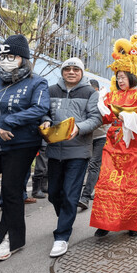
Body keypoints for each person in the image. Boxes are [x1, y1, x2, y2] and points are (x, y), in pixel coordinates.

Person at [0, 35, 50, 260]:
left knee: (11, 193)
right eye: (3, 56)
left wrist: (10, 121)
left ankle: (11, 240)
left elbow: (40, 108)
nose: (6, 60)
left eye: (11, 56)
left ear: (23, 58)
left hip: (20, 144)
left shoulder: (36, 82)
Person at [90, 35, 137, 237]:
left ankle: (132, 223)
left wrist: (132, 121)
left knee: (132, 187)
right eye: (118, 77)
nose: (120, 80)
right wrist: (102, 109)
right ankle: (104, 223)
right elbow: (107, 118)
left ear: (132, 77)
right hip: (113, 145)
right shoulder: (112, 96)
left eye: (124, 77)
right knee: (108, 184)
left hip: (134, 147)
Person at [41, 57, 101, 258]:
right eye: (68, 68)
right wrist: (46, 121)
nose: (72, 72)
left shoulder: (90, 93)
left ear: (82, 73)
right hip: (54, 149)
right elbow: (43, 113)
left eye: (76, 69)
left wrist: (79, 128)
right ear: (62, 71)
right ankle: (65, 219)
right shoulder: (50, 91)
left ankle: (62, 235)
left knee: (70, 194)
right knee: (53, 193)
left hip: (78, 152)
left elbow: (96, 118)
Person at [78, 79, 109, 210]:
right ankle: (76, 195)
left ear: (96, 90)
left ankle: (85, 196)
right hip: (84, 137)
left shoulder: (104, 100)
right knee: (81, 165)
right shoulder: (81, 98)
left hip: (100, 137)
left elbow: (109, 118)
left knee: (94, 166)